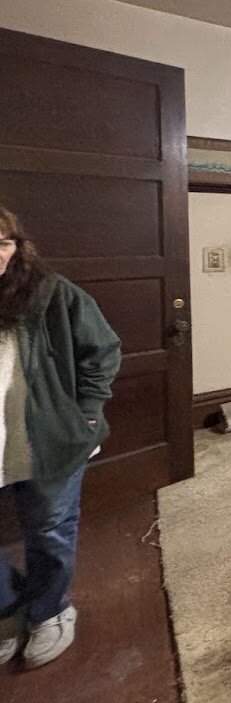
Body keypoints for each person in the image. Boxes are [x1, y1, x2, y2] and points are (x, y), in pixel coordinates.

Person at [0, 206, 121, 668]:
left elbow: (103, 351)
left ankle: (49, 610)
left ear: (17, 247)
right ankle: (8, 610)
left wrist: (87, 413)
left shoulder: (50, 294)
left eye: (2, 243)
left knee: (49, 530)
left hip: (50, 437)